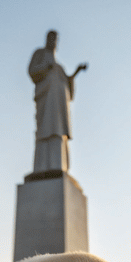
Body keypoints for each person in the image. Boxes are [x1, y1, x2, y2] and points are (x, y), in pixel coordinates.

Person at [28, 30, 87, 173]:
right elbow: (32, 71)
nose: (53, 41)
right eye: (51, 38)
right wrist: (45, 68)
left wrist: (75, 73)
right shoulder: (40, 55)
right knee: (45, 131)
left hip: (60, 108)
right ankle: (41, 169)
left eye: (55, 39)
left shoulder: (60, 67)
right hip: (46, 101)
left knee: (58, 132)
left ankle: (58, 166)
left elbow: (68, 85)